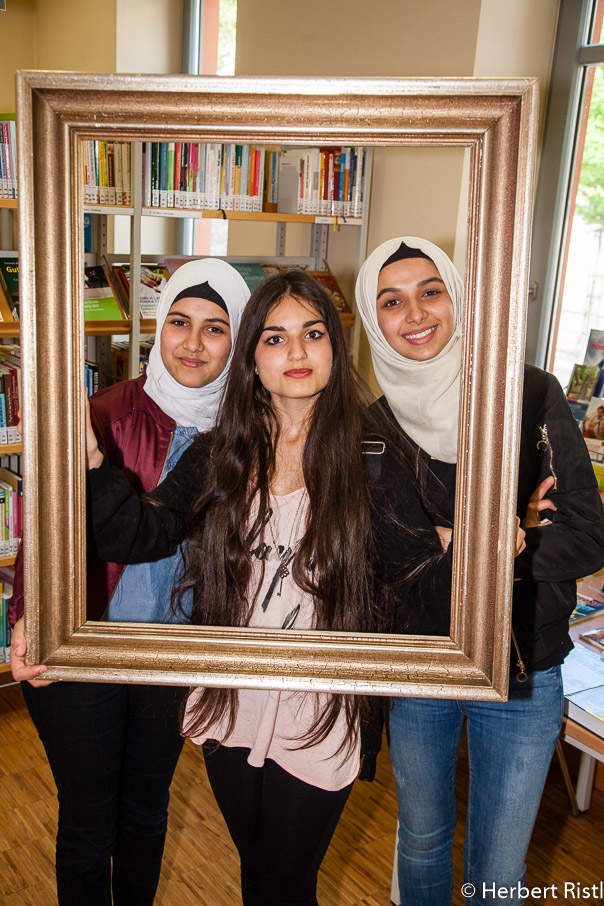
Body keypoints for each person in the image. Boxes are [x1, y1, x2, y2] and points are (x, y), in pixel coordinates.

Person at [85, 269, 386, 906]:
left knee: (285, 879)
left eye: (311, 334)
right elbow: (138, 535)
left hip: (319, 709)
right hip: (233, 700)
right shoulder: (223, 452)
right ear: (252, 356)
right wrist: (88, 461)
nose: (296, 353)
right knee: (256, 871)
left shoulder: (375, 456)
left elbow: (413, 575)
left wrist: (490, 543)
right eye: (274, 339)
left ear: (336, 343)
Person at [355, 237, 604, 906]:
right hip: (421, 668)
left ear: (460, 299)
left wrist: (467, 546)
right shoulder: (371, 429)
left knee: (499, 868)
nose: (415, 313)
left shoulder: (529, 395)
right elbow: (393, 565)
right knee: (423, 841)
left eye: (430, 291)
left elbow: (586, 536)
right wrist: (510, 537)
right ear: (372, 318)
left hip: (523, 671)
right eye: (391, 299)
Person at [9, 257, 251, 906]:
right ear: (157, 324)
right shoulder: (103, 414)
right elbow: (46, 527)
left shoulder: (246, 436)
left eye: (215, 327)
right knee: (90, 819)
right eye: (178, 322)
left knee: (147, 807)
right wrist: (30, 615)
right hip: (85, 640)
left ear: (240, 339)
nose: (193, 343)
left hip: (172, 654)